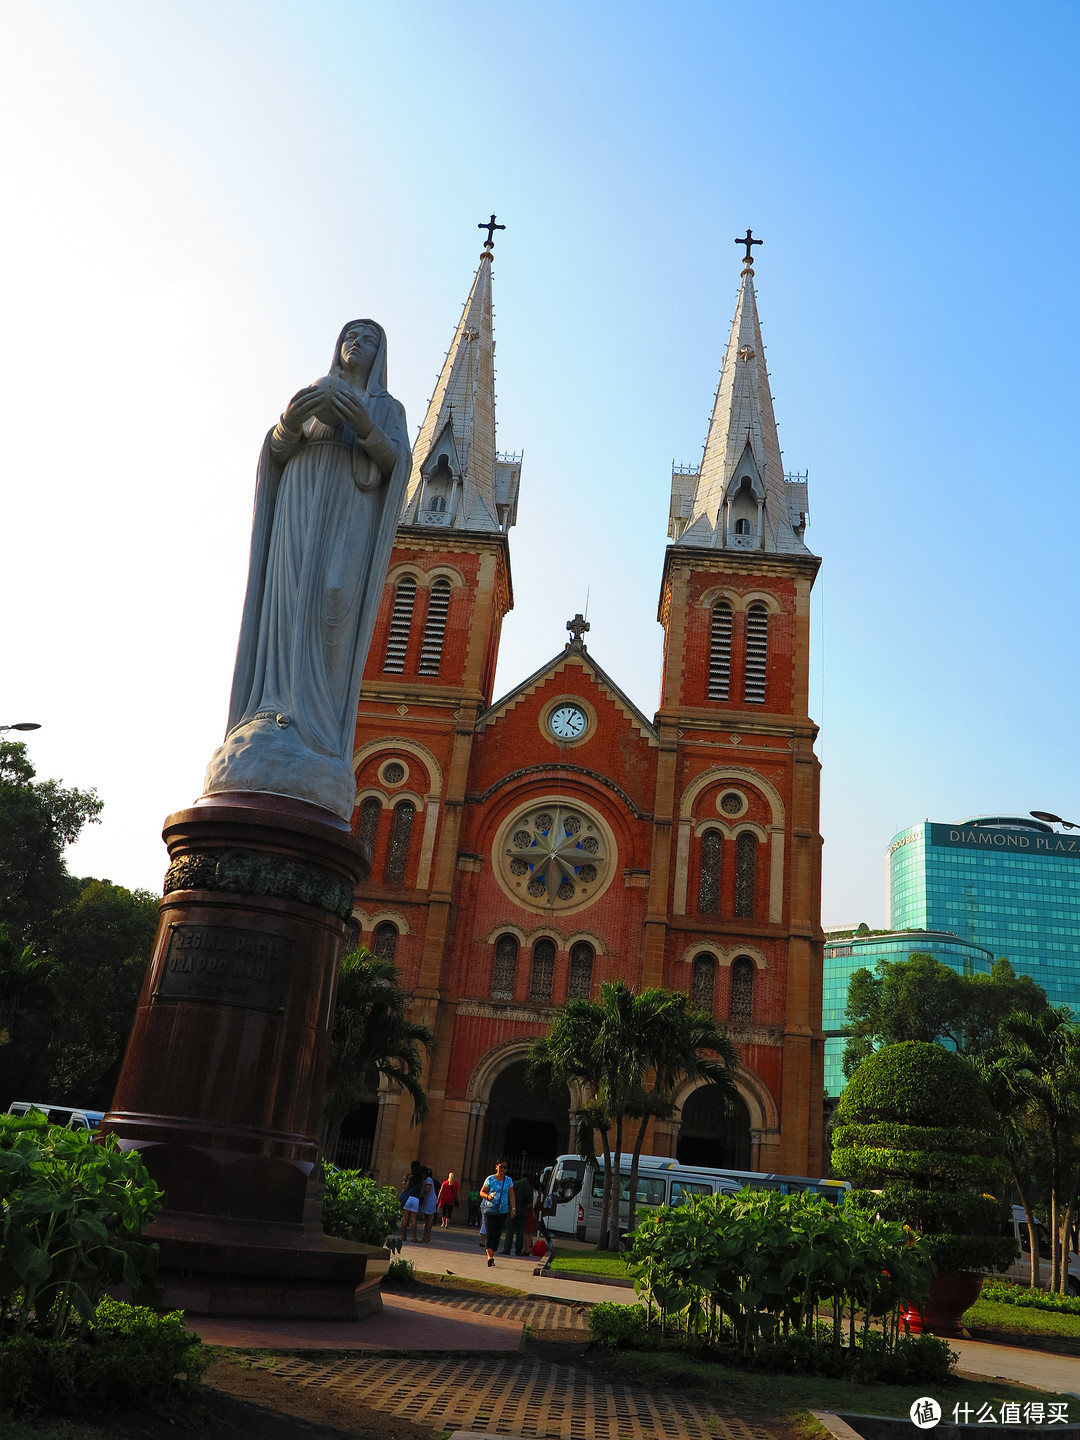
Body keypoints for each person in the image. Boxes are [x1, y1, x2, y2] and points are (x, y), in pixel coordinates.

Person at [205, 319, 412, 820]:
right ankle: (271, 711)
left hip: (348, 513)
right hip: (298, 505)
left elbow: (397, 464)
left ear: (379, 354)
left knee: (333, 597)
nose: (354, 343)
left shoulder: (387, 408)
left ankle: (316, 730)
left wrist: (364, 427)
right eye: (349, 335)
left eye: (367, 338)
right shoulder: (312, 391)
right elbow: (275, 452)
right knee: (287, 597)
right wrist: (286, 424)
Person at [479, 1159, 515, 1266]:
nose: (503, 1169)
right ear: (496, 1166)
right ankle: (489, 1257)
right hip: (490, 1209)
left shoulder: (508, 1181)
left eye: (505, 1167)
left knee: (497, 1234)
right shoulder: (490, 1179)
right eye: (501, 1167)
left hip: (502, 1211)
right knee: (490, 1233)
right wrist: (487, 1196)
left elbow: (511, 1195)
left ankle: (492, 1255)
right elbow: (482, 1192)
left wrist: (513, 1208)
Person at [501, 1170, 534, 1256]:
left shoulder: (515, 1184)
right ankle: (518, 1250)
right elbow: (530, 1201)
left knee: (510, 1230)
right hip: (523, 1209)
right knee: (520, 1231)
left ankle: (506, 1249)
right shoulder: (529, 1187)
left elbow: (509, 1194)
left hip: (513, 1207)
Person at [400, 1159, 424, 1244]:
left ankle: (403, 1236)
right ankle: (414, 1237)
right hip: (416, 1199)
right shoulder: (421, 1178)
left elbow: (405, 1188)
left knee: (405, 1219)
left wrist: (404, 1181)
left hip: (408, 1198)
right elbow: (421, 1192)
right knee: (413, 1220)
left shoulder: (410, 1176)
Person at [420, 1166, 438, 1242]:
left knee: (429, 1217)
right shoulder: (427, 1180)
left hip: (430, 1200)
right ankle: (426, 1236)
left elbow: (427, 1191)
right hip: (427, 1200)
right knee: (426, 1218)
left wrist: (422, 1185)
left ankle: (427, 1236)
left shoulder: (428, 1180)